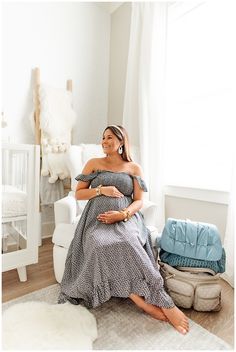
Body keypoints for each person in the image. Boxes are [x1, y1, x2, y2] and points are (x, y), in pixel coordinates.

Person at [58, 125, 189, 335]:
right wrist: (102, 190)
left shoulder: (134, 168)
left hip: (127, 219)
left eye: (109, 137)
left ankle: (164, 303)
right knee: (99, 245)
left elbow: (139, 201)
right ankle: (142, 302)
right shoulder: (93, 163)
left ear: (121, 141)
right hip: (96, 220)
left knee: (128, 242)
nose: (104, 141)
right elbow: (78, 194)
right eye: (102, 138)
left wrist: (123, 214)